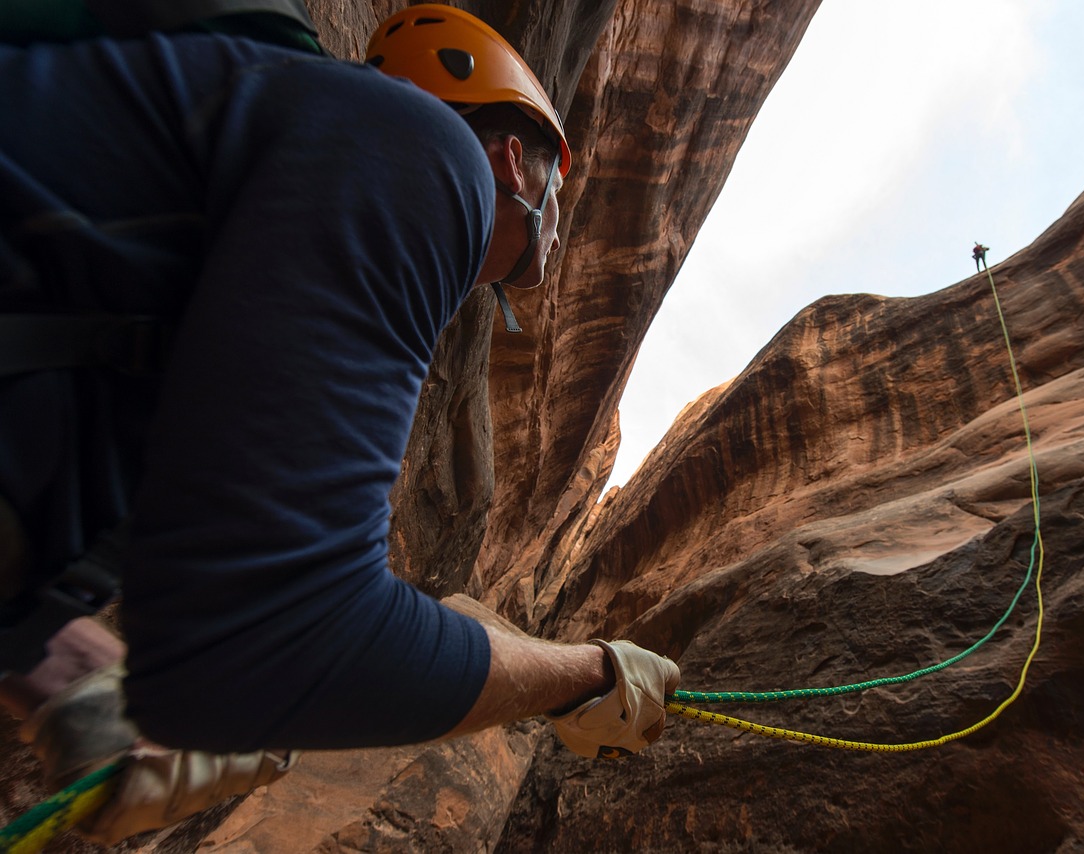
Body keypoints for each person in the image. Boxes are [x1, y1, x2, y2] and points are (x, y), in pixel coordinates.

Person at [0, 1, 679, 844]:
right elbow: (276, 637)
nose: (558, 216)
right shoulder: (427, 155)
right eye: (557, 189)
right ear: (512, 158)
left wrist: (58, 662)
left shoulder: (226, 218)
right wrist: (587, 676)